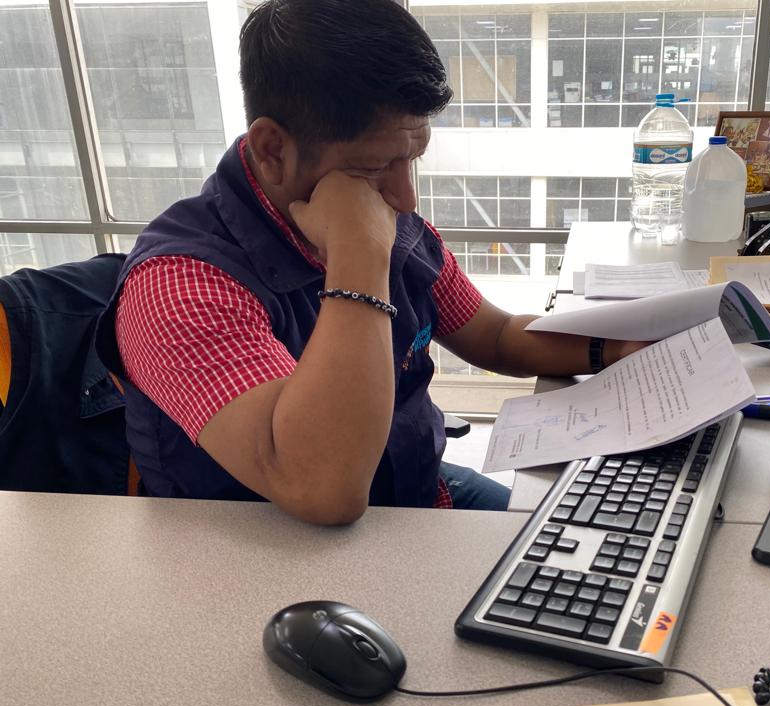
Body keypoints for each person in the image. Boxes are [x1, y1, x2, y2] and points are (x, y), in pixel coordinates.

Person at [97, 0, 645, 524]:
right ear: (272, 149)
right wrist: (359, 256)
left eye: (411, 160)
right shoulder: (177, 287)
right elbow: (322, 487)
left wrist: (617, 348)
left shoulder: (386, 219)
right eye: (372, 168)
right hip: (276, 563)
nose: (405, 199)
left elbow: (496, 336)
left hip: (414, 495)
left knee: (593, 540)